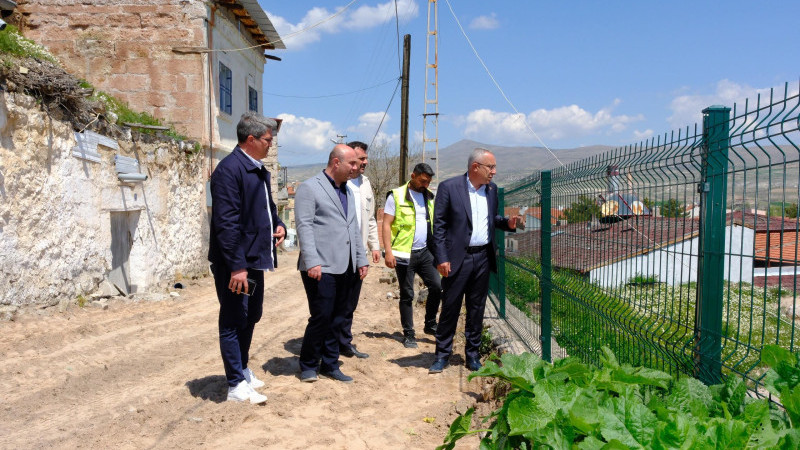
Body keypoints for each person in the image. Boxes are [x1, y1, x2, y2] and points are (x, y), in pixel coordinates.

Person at [208, 112, 286, 404]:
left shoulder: (256, 169)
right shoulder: (229, 171)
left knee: (251, 315)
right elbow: (226, 224)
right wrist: (236, 267)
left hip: (254, 258)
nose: (270, 144)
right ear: (250, 139)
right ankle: (234, 385)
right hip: (237, 264)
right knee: (232, 318)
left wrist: (279, 225)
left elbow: (267, 209)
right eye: (267, 139)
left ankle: (241, 368)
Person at [429, 148, 523, 374]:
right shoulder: (449, 188)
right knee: (450, 307)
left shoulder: (492, 191)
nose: (494, 172)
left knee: (477, 309)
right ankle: (442, 355)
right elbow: (438, 227)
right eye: (491, 167)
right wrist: (441, 257)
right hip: (456, 259)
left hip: (482, 257)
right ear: (475, 167)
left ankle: (472, 355)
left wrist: (506, 223)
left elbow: (492, 219)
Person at [295, 144, 369, 383]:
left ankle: (330, 363)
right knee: (321, 316)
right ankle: (308, 364)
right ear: (336, 163)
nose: (356, 168)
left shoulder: (347, 190)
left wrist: (361, 259)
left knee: (338, 317)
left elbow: (354, 229)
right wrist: (312, 260)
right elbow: (304, 226)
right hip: (320, 266)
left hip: (345, 265)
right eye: (352, 164)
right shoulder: (309, 187)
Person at [382, 163, 441, 348]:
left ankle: (430, 324)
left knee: (437, 286)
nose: (426, 185)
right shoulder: (396, 195)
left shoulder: (429, 197)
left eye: (429, 182)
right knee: (407, 293)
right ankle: (409, 334)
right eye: (423, 181)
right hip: (403, 253)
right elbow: (386, 224)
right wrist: (388, 252)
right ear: (413, 176)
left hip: (425, 252)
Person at [336, 141, 381, 359]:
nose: (365, 162)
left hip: (359, 254)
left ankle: (344, 342)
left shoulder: (365, 184)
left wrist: (375, 245)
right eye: (361, 159)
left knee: (351, 301)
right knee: (337, 301)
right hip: (339, 254)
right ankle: (331, 343)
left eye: (364, 159)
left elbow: (370, 218)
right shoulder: (339, 185)